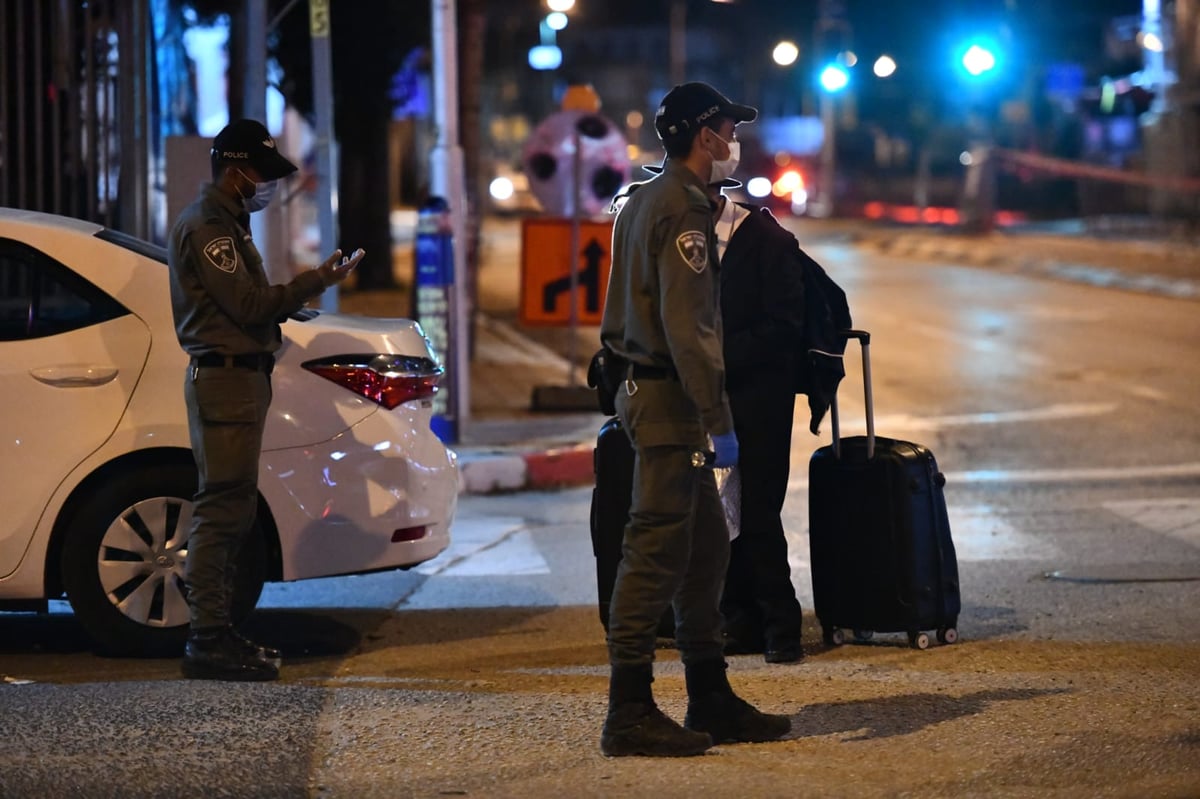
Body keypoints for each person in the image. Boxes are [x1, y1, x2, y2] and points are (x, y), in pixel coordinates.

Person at [597, 82, 791, 757]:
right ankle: (628, 709)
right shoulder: (681, 207)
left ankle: (710, 693)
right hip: (667, 400)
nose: (734, 140)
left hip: (646, 388)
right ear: (703, 135)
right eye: (728, 128)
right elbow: (689, 327)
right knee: (654, 550)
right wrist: (718, 415)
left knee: (706, 549)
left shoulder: (644, 195)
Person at [167, 118, 364, 681]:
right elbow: (251, 305)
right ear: (235, 172)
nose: (267, 185)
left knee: (233, 505)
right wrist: (315, 280)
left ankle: (216, 629)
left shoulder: (226, 221)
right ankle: (206, 638)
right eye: (260, 173)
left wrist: (314, 281)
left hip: (238, 381)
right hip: (225, 382)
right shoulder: (210, 227)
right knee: (224, 504)